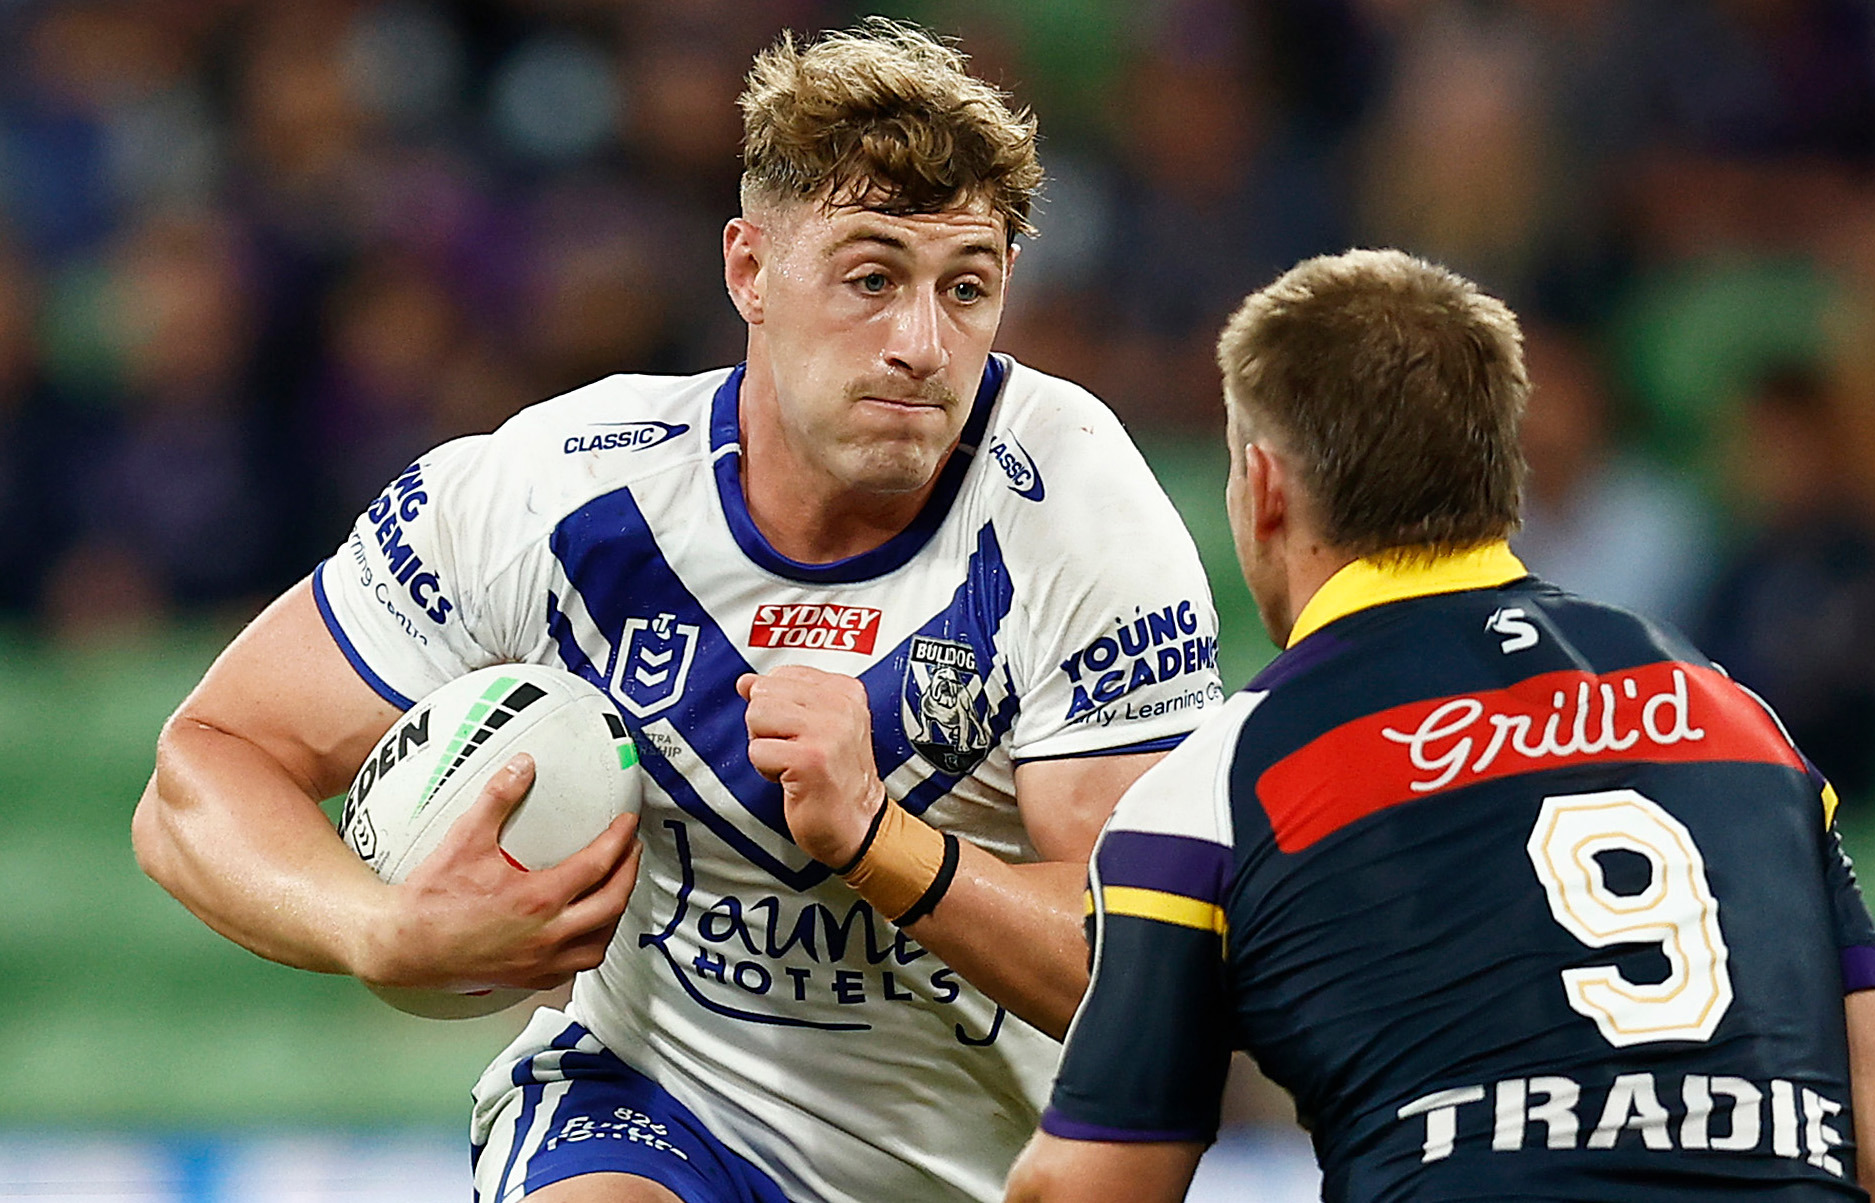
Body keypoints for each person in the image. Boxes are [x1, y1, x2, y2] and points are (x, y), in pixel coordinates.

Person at [132, 21, 1224, 1203]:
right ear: (750, 270)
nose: (922, 344)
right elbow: (206, 767)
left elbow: (1139, 972)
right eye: (870, 278)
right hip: (653, 1109)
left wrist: (874, 839)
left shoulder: (1074, 510)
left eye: (968, 288)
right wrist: (375, 930)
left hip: (984, 1170)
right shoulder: (559, 490)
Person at [1005, 250, 1875, 1203]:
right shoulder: (1742, 724)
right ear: (1500, 470)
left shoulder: (1214, 785)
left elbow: (1087, 1190)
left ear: (1263, 487)